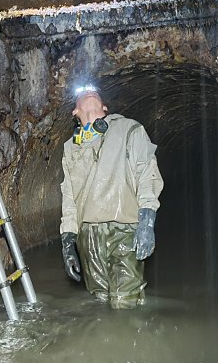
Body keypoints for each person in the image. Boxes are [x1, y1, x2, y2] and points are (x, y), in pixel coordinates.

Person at [59, 83, 163, 309]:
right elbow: (68, 196)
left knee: (125, 302)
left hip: (125, 229)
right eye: (82, 93)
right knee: (98, 303)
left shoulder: (129, 128)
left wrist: (146, 222)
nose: (88, 91)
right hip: (88, 236)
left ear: (104, 107)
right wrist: (68, 243)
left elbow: (147, 173)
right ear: (74, 112)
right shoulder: (71, 148)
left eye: (94, 91)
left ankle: (130, 339)